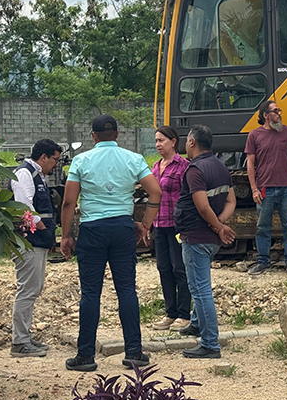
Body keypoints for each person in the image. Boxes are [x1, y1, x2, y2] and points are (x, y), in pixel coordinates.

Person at [60, 115, 163, 372]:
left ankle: (85, 355)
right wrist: (145, 224)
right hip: (122, 228)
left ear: (93, 136)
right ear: (117, 134)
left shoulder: (81, 161)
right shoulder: (134, 159)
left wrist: (65, 235)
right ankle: (134, 353)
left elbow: (69, 202)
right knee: (127, 290)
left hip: (92, 229)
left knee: (91, 293)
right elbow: (156, 192)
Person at [174, 124, 237, 358]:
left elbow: (201, 205)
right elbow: (231, 201)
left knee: (200, 289)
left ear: (192, 142)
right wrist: (220, 223)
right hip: (210, 237)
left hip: (196, 235)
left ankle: (210, 343)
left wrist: (217, 226)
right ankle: (196, 323)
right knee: (200, 282)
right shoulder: (221, 167)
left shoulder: (195, 169)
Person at [9, 139, 62, 358]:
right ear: (44, 157)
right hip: (29, 240)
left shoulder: (37, 175)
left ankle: (25, 338)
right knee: (28, 289)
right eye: (55, 160)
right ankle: (20, 342)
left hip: (38, 241)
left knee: (34, 288)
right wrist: (41, 228)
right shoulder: (25, 174)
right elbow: (24, 206)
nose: (56, 165)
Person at [245, 100, 287, 276]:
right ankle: (263, 261)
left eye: (279, 110)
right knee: (262, 226)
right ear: (265, 115)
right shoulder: (254, 135)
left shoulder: (286, 131)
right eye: (275, 111)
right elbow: (250, 163)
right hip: (265, 187)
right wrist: (254, 188)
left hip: (286, 186)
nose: (279, 114)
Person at [150, 125, 191, 331]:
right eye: (156, 141)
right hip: (159, 224)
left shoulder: (183, 165)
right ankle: (170, 312)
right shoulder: (156, 167)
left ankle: (184, 314)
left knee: (179, 268)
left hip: (177, 225)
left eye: (162, 140)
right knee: (163, 268)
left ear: (173, 141)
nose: (158, 144)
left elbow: (189, 194)